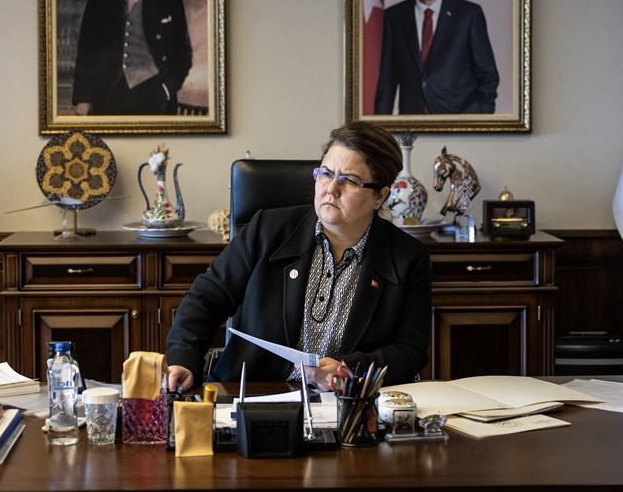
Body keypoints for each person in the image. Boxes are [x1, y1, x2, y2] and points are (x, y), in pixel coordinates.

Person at [164, 121, 432, 392]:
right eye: (326, 174)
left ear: (380, 196)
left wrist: (348, 370)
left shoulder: (407, 257)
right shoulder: (268, 230)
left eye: (349, 180)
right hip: (255, 394)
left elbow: (410, 350)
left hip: (346, 402)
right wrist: (183, 360)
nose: (331, 189)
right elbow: (206, 298)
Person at [71, 0, 192, 116]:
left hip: (155, 101)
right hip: (106, 98)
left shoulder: (170, 2)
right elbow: (86, 52)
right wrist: (83, 98)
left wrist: (166, 90)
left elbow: (182, 56)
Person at [374, 0, 499, 115]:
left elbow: (488, 75)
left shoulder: (468, 15)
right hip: (412, 123)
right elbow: (387, 81)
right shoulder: (393, 17)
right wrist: (379, 128)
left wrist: (477, 118)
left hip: (459, 119)